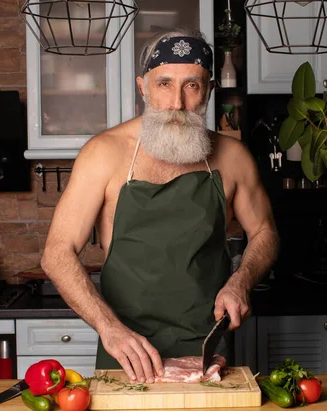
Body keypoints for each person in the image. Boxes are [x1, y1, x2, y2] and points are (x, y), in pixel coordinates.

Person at [41, 27, 278, 385]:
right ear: (143, 87)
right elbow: (57, 253)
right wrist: (110, 329)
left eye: (192, 85)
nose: (177, 103)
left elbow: (265, 232)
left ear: (209, 90)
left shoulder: (232, 158)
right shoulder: (104, 154)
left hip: (207, 347)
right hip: (126, 346)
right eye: (164, 83)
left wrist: (241, 281)